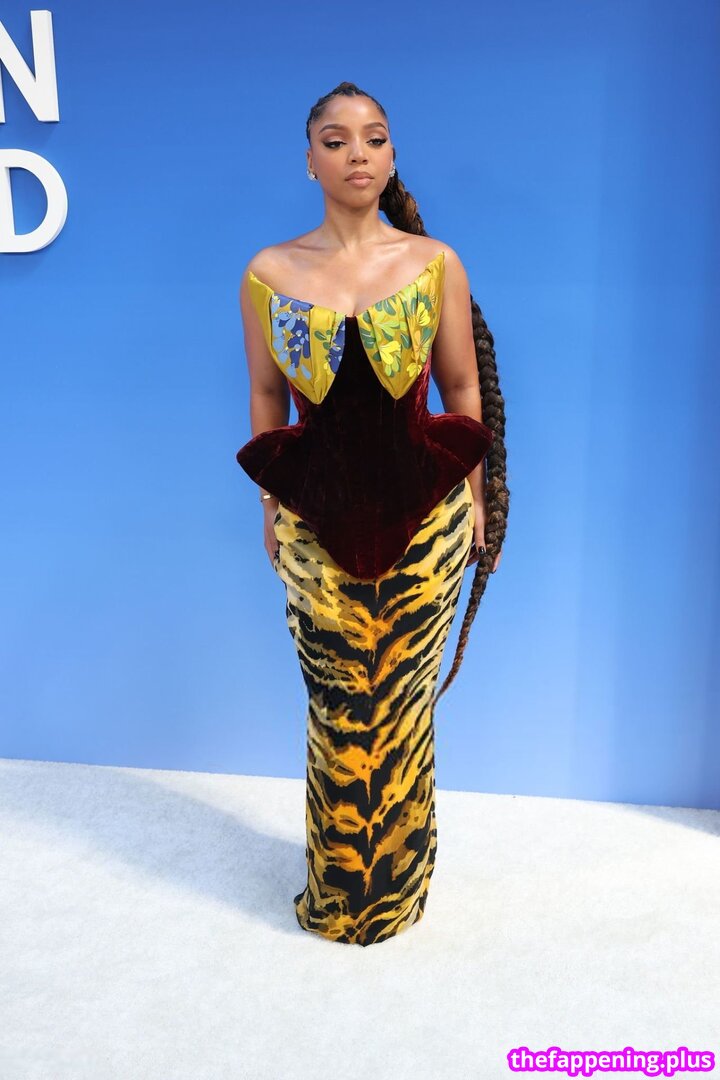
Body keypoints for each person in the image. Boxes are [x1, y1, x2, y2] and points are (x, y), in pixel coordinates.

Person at [236, 81, 510, 947]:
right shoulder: (269, 273)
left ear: (391, 158)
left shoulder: (434, 264)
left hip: (427, 522)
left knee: (404, 705)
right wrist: (272, 508)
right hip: (314, 526)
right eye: (336, 138)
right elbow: (266, 398)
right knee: (335, 705)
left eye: (374, 137)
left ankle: (394, 893)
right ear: (309, 161)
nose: (357, 152)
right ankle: (336, 893)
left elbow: (462, 388)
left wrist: (476, 502)